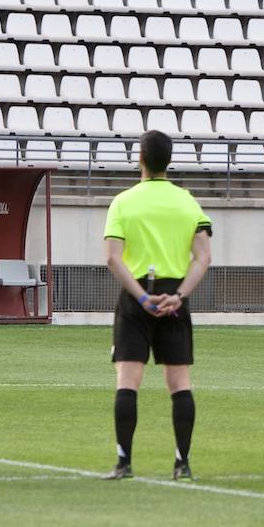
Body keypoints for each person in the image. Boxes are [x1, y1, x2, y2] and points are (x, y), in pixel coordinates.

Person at [103, 130, 213, 481]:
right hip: (173, 299)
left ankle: (124, 463)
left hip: (139, 299)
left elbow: (112, 258)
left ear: (140, 159)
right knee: (180, 382)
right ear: (170, 160)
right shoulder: (188, 202)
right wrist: (178, 296)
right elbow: (203, 257)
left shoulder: (123, 201)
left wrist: (141, 297)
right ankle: (182, 463)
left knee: (127, 381)